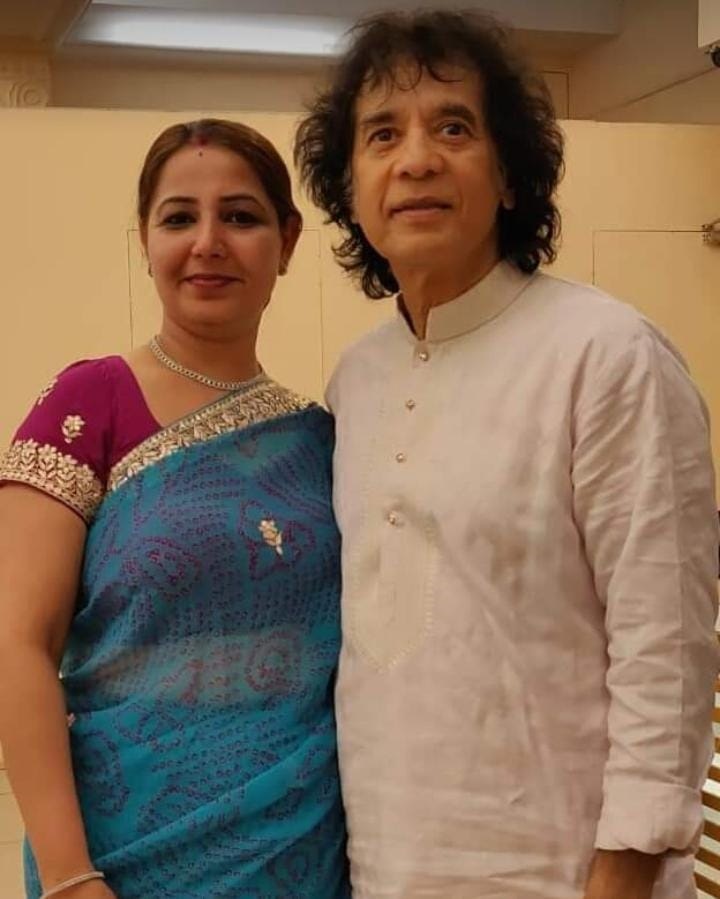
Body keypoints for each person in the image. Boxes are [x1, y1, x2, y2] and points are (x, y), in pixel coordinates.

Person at [294, 10, 719, 899]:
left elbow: (667, 649)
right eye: (382, 134)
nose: (416, 159)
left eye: (454, 127)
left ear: (510, 176)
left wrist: (622, 877)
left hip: (566, 877)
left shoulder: (606, 354)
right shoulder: (356, 380)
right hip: (384, 873)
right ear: (349, 186)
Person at [0, 118, 349, 899]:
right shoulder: (89, 403)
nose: (208, 242)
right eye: (180, 217)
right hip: (120, 858)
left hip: (300, 851)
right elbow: (16, 642)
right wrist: (69, 877)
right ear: (145, 240)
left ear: (288, 241)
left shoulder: (322, 438)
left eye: (241, 216)